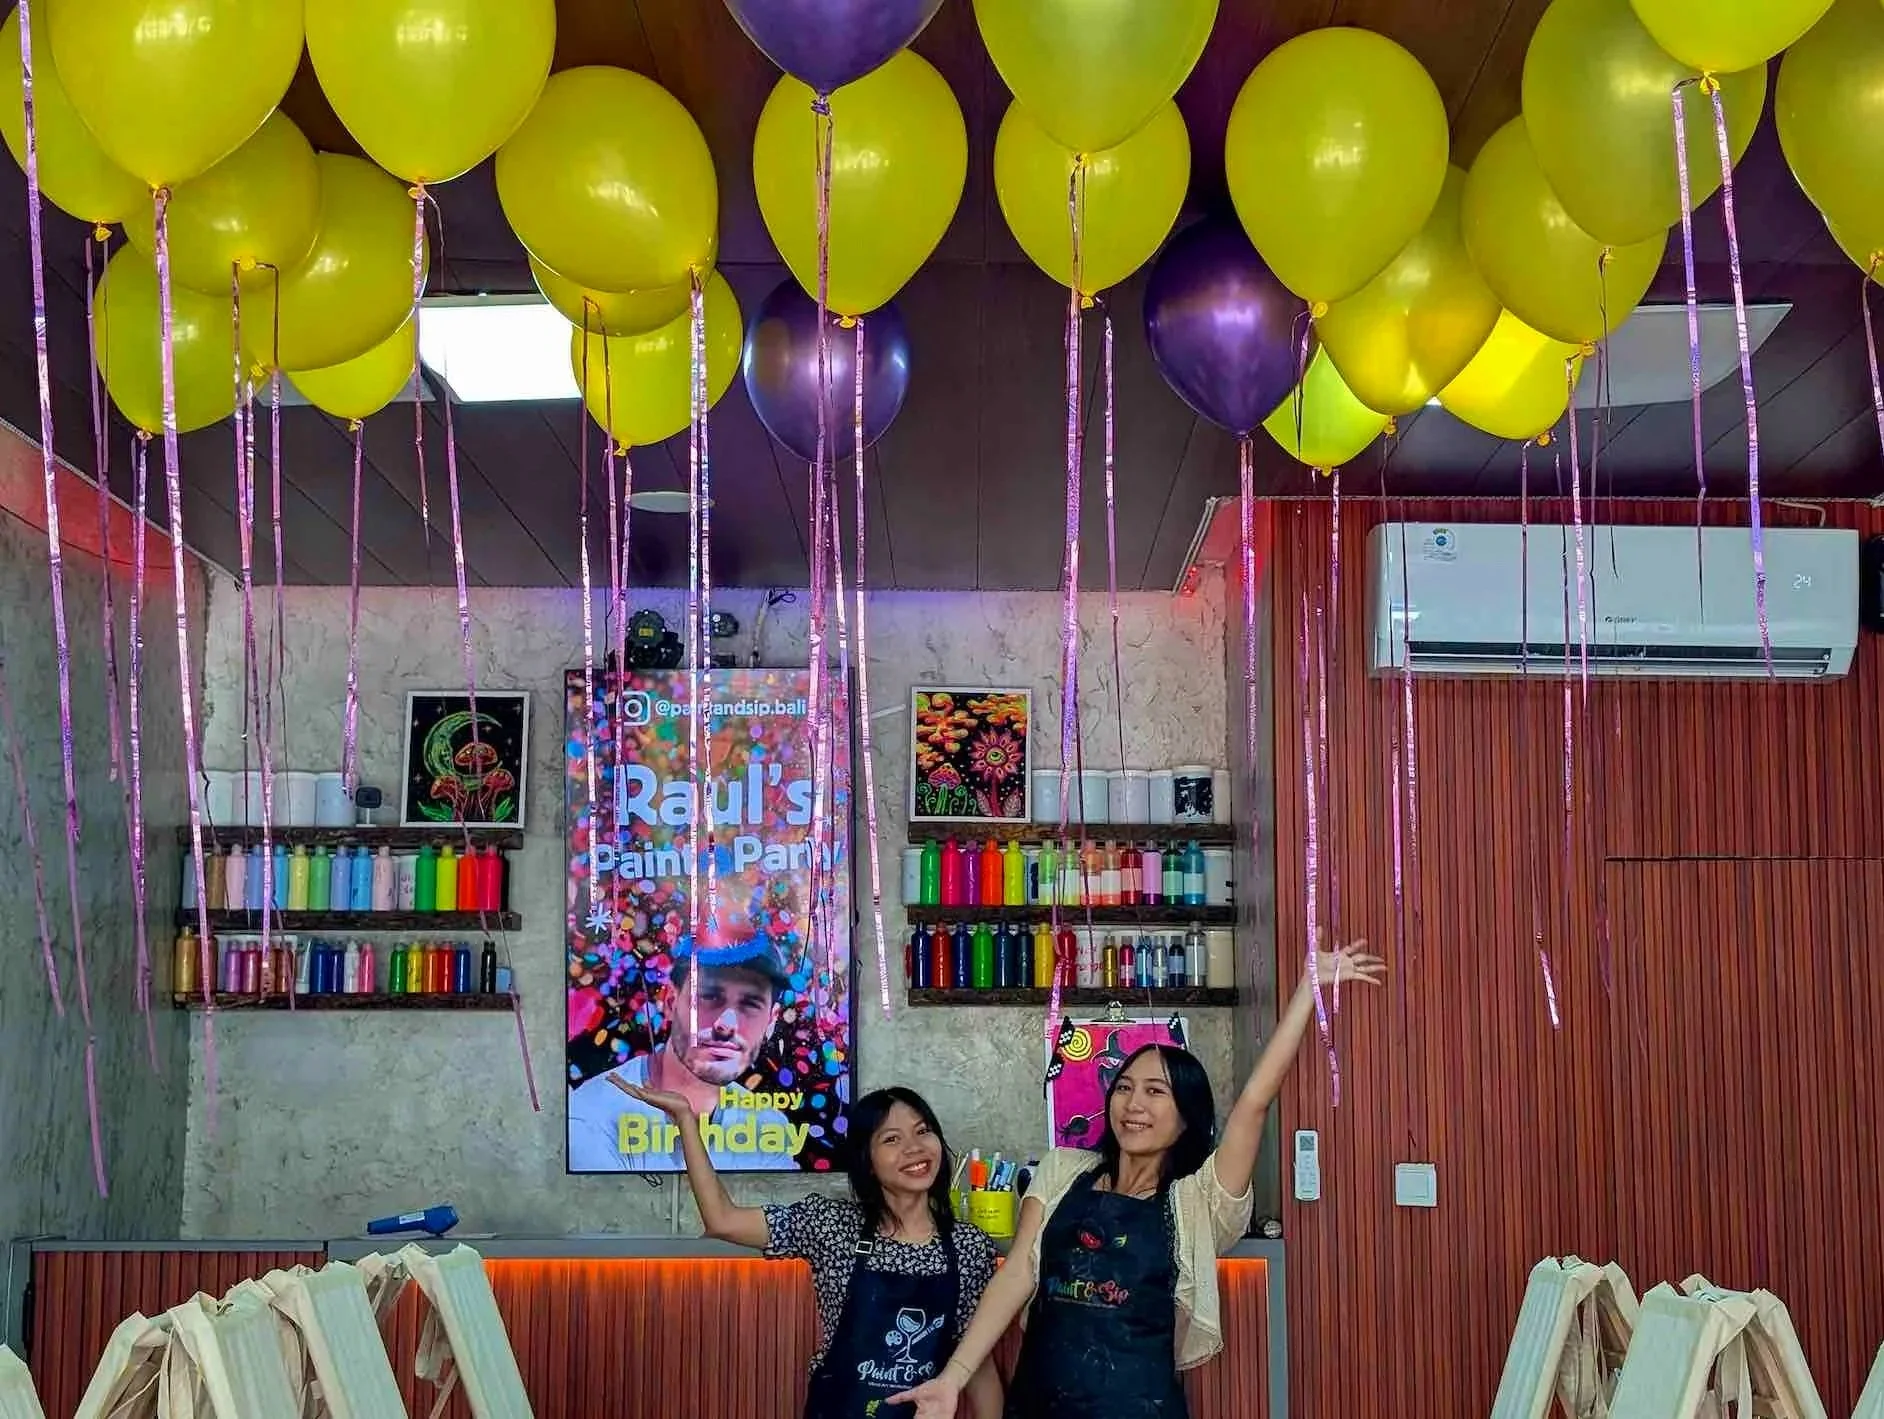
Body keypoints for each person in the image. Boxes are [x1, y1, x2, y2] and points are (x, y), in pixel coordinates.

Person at [892, 944, 1387, 1419]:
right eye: (1125, 1087)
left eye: (1156, 1092)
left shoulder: (1196, 1199)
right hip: (1039, 1405)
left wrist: (1307, 990)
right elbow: (1017, 1272)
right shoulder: (1064, 1170)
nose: (1133, 1104)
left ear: (1187, 1116)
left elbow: (1255, 1103)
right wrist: (953, 1378)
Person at [625, 1081, 1005, 1419]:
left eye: (923, 1132)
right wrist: (685, 1120)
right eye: (892, 1139)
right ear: (867, 1161)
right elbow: (722, 1220)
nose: (914, 1148)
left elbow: (977, 1362)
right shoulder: (830, 1225)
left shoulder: (968, 1246)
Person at [568, 937, 799, 1172]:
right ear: (670, 1003)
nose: (726, 1024)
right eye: (709, 997)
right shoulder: (592, 1117)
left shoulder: (769, 1126)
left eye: (750, 1004)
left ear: (771, 1021)